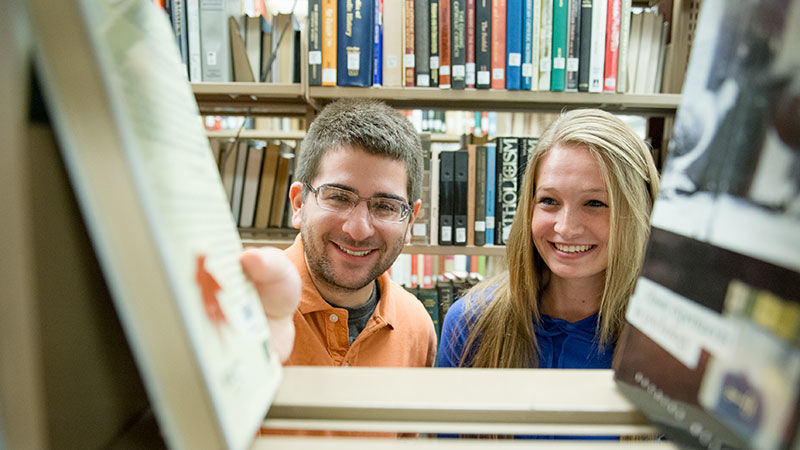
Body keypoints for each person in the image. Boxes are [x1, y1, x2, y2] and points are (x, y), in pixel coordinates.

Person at [437, 109, 659, 369]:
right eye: (549, 201)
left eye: (595, 203)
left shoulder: (665, 340)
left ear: (637, 211)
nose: (566, 228)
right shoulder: (471, 321)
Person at [281, 98, 437, 367]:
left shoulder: (418, 327)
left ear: (410, 221)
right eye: (339, 198)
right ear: (298, 204)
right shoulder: (240, 307)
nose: (358, 230)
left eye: (386, 206)